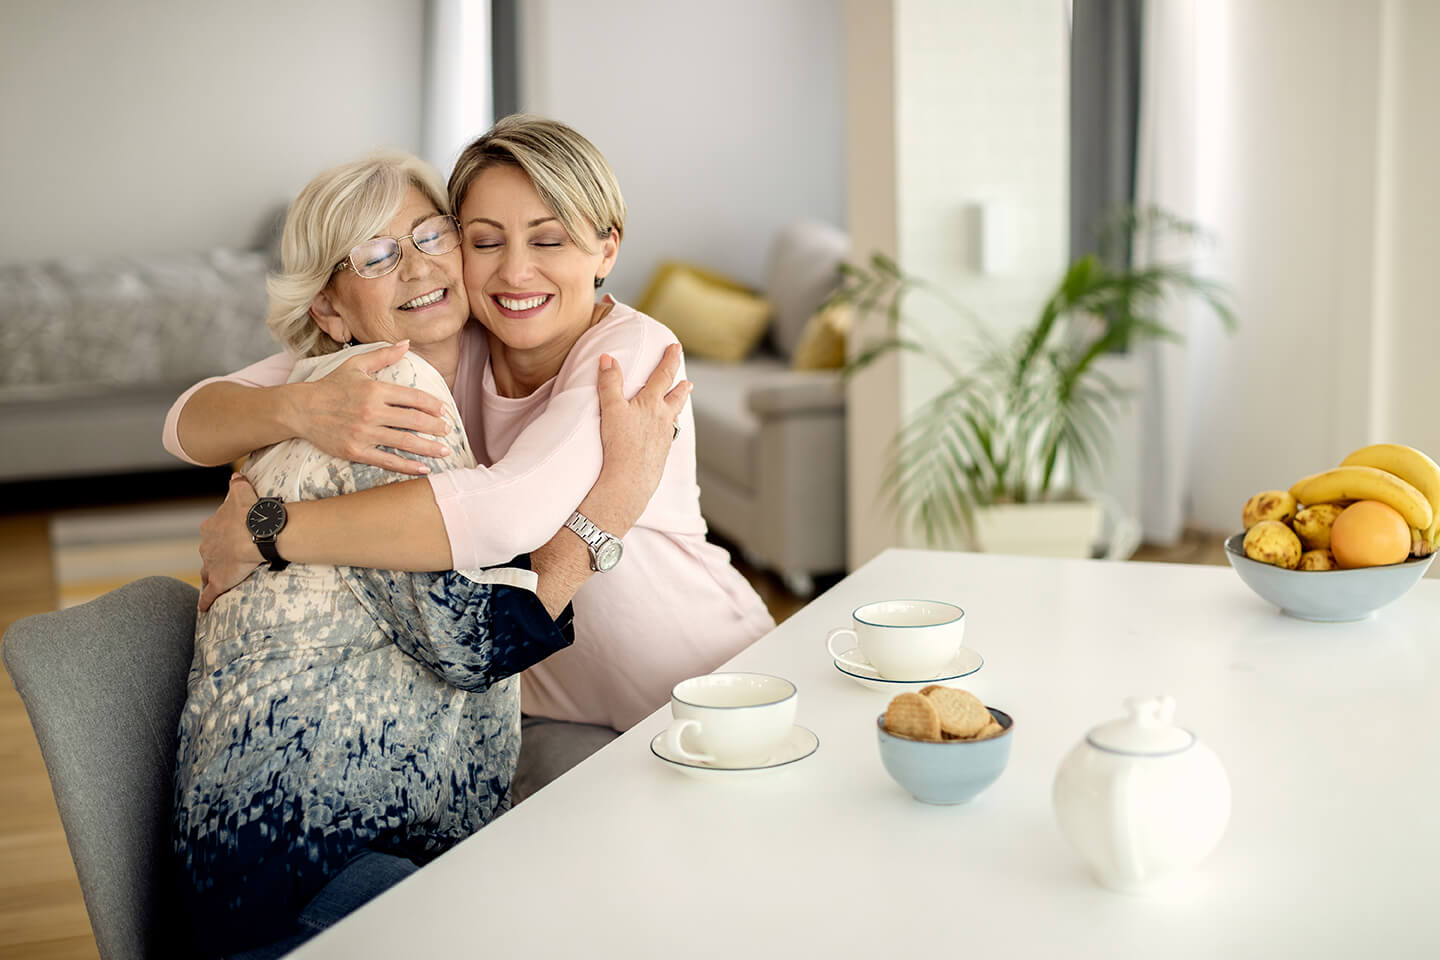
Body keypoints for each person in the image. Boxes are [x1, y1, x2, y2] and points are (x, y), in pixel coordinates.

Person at [170, 152, 688, 959]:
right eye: (377, 255)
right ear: (333, 311)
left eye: (429, 234)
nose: (416, 264)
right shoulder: (382, 393)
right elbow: (474, 641)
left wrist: (263, 524)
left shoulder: (398, 372)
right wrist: (613, 501)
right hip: (309, 876)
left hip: (318, 850)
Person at [163, 114, 775, 797]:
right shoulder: (453, 338)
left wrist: (267, 533)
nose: (516, 271)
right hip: (549, 702)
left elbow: (512, 509)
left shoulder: (629, 354)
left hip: (712, 677)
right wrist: (298, 406)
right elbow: (186, 420)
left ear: (606, 251)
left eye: (549, 239)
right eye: (485, 241)